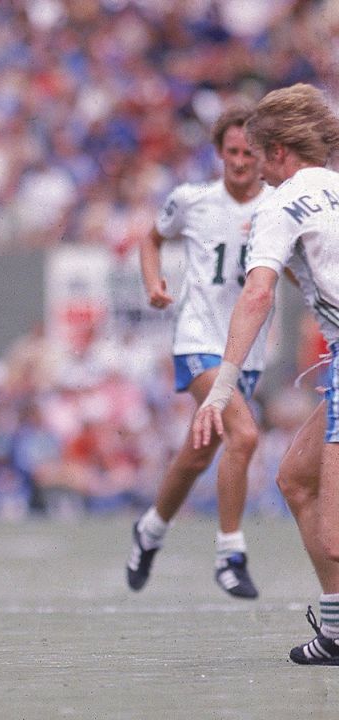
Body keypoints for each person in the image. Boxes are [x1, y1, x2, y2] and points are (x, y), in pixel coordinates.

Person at [192, 83, 339, 664]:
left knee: (335, 532)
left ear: (278, 152)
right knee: (296, 480)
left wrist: (220, 389)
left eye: (256, 158)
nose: (254, 174)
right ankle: (337, 630)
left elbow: (257, 293)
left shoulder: (280, 204)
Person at [125, 106, 269, 599]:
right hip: (199, 341)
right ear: (219, 153)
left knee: (201, 450)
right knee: (243, 436)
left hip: (246, 351)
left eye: (249, 152)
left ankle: (150, 530)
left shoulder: (277, 207)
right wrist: (152, 284)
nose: (240, 162)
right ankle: (230, 554)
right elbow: (151, 238)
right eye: (232, 152)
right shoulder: (193, 200)